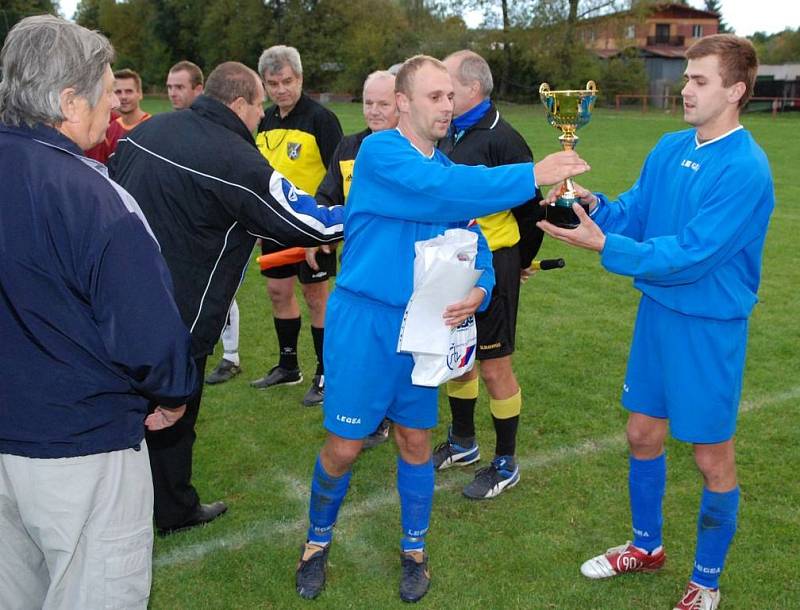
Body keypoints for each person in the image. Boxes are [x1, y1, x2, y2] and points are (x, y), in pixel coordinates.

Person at [294, 54, 589, 603]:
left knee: (414, 439)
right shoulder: (381, 152)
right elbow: (444, 193)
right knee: (345, 445)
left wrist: (479, 285)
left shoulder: (446, 170)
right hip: (365, 322)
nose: (447, 105)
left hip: (423, 323)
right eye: (435, 96)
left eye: (451, 96)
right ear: (402, 103)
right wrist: (532, 174)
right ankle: (316, 541)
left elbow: (472, 236)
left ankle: (414, 549)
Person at [537, 35, 773, 610]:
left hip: (708, 327)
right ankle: (646, 548)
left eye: (699, 81)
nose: (684, 90)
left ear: (736, 90)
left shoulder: (746, 168)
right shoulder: (670, 147)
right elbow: (635, 214)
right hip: (659, 316)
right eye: (687, 78)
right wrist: (593, 207)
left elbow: (694, 253)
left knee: (711, 456)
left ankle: (706, 582)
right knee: (642, 433)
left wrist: (603, 247)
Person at [0, 15, 197, 608]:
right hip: (80, 449)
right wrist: (171, 392)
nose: (115, 103)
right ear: (67, 99)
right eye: (106, 89)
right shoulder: (91, 193)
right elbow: (148, 331)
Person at [111, 61, 345, 535]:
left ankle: (133, 499)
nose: (262, 115)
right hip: (179, 309)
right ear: (239, 103)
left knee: (127, 405)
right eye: (259, 104)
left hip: (116, 297)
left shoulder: (147, 134)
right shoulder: (234, 158)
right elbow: (306, 222)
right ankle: (172, 510)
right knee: (174, 411)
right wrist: (375, 216)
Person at [432, 49, 544, 499]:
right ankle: (463, 443)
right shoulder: (445, 132)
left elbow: (532, 210)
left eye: (448, 89)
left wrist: (519, 262)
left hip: (494, 263)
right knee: (457, 355)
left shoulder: (504, 138)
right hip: (451, 261)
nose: (441, 98)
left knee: (495, 365)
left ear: (473, 88)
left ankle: (505, 462)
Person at [249, 45, 344, 407]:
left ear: (300, 79)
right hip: (275, 227)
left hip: (312, 229)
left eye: (287, 81)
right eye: (272, 83)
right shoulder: (265, 120)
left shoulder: (321, 119)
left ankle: (326, 372)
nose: (280, 90)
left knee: (316, 297)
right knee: (277, 292)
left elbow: (338, 175)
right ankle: (289, 365)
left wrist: (328, 231)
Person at [315, 69, 399, 448]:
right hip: (357, 269)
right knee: (363, 347)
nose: (375, 111)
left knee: (396, 346)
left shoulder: (415, 150)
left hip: (400, 269)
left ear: (401, 103)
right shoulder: (348, 148)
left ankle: (387, 415)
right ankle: (370, 414)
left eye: (384, 103)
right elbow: (327, 196)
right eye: (369, 103)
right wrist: (317, 234)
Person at [85, 68, 150, 163]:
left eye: (129, 91)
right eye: (118, 92)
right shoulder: (109, 128)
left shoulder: (152, 126)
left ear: (140, 94)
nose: (123, 97)